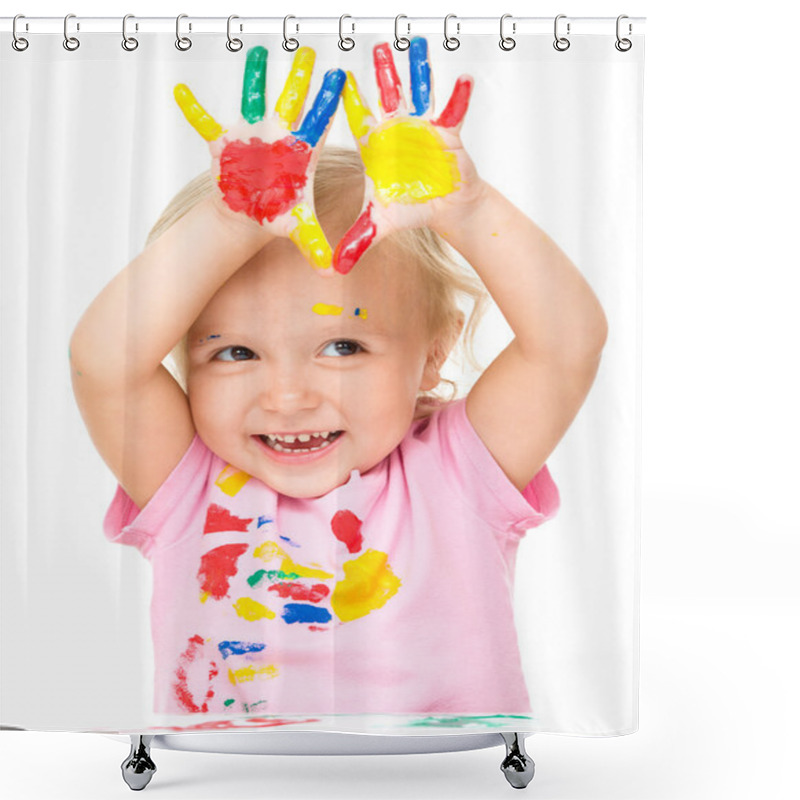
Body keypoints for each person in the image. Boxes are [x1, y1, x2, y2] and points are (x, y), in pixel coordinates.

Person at [70, 40, 607, 719]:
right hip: (233, 781)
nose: (288, 396)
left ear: (434, 354)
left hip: (440, 780)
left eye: (343, 345)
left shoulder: (458, 470)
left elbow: (568, 345)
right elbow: (101, 363)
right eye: (235, 353)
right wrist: (227, 223)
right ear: (177, 355)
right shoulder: (186, 484)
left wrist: (467, 212)